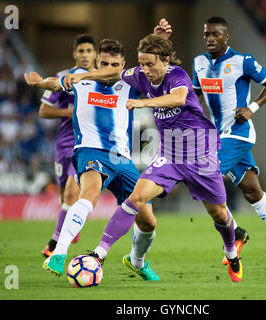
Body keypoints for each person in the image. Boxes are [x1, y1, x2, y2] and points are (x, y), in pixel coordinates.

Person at [63, 32, 243, 282]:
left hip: (199, 153)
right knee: (136, 197)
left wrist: (144, 104)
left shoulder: (177, 76)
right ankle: (99, 253)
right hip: (168, 154)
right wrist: (82, 76)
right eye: (142, 63)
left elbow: (178, 98)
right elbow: (114, 74)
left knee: (219, 214)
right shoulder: (137, 75)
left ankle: (231, 251)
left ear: (166, 60)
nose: (145, 70)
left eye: (150, 64)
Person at [25, 20, 173, 280]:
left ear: (123, 66)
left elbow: (154, 65)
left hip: (122, 158)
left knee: (148, 220)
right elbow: (56, 83)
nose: (109, 70)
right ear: (97, 63)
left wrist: (156, 38)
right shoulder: (81, 83)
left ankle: (137, 261)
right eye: (104, 64)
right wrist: (40, 84)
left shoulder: (129, 83)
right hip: (90, 151)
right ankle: (59, 254)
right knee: (88, 196)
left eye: (115, 65)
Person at [192, 17, 266, 273]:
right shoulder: (199, 63)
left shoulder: (243, 61)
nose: (210, 38)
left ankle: (236, 233)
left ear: (226, 37)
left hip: (239, 134)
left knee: (204, 175)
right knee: (253, 191)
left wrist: (252, 107)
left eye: (215, 34)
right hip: (219, 135)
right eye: (207, 34)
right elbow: (196, 94)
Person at [39, 34, 97, 258]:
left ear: (95, 54)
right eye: (81, 51)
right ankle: (71, 229)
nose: (84, 55)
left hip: (85, 144)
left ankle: (53, 245)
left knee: (73, 194)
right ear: (75, 54)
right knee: (65, 197)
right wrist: (69, 112)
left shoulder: (101, 80)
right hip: (63, 144)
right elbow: (44, 110)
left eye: (88, 51)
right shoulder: (62, 78)